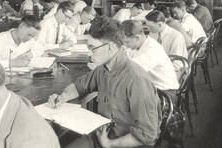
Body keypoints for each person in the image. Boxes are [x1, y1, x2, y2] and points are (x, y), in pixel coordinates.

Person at [49, 18, 161, 148]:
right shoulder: (103, 69)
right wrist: (62, 97)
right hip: (103, 134)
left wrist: (110, 144)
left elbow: (148, 135)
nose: (89, 54)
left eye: (93, 48)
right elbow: (79, 86)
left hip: (123, 143)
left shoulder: (136, 79)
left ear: (111, 47)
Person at [119, 20, 179, 92]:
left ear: (137, 37)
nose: (125, 45)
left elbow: (130, 71)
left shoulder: (151, 49)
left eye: (126, 42)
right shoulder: (139, 44)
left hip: (165, 92)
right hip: (152, 86)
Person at [145, 10, 188, 76]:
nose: (149, 30)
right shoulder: (153, 33)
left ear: (159, 24)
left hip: (176, 71)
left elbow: (177, 64)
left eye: (151, 27)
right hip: (160, 66)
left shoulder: (176, 36)